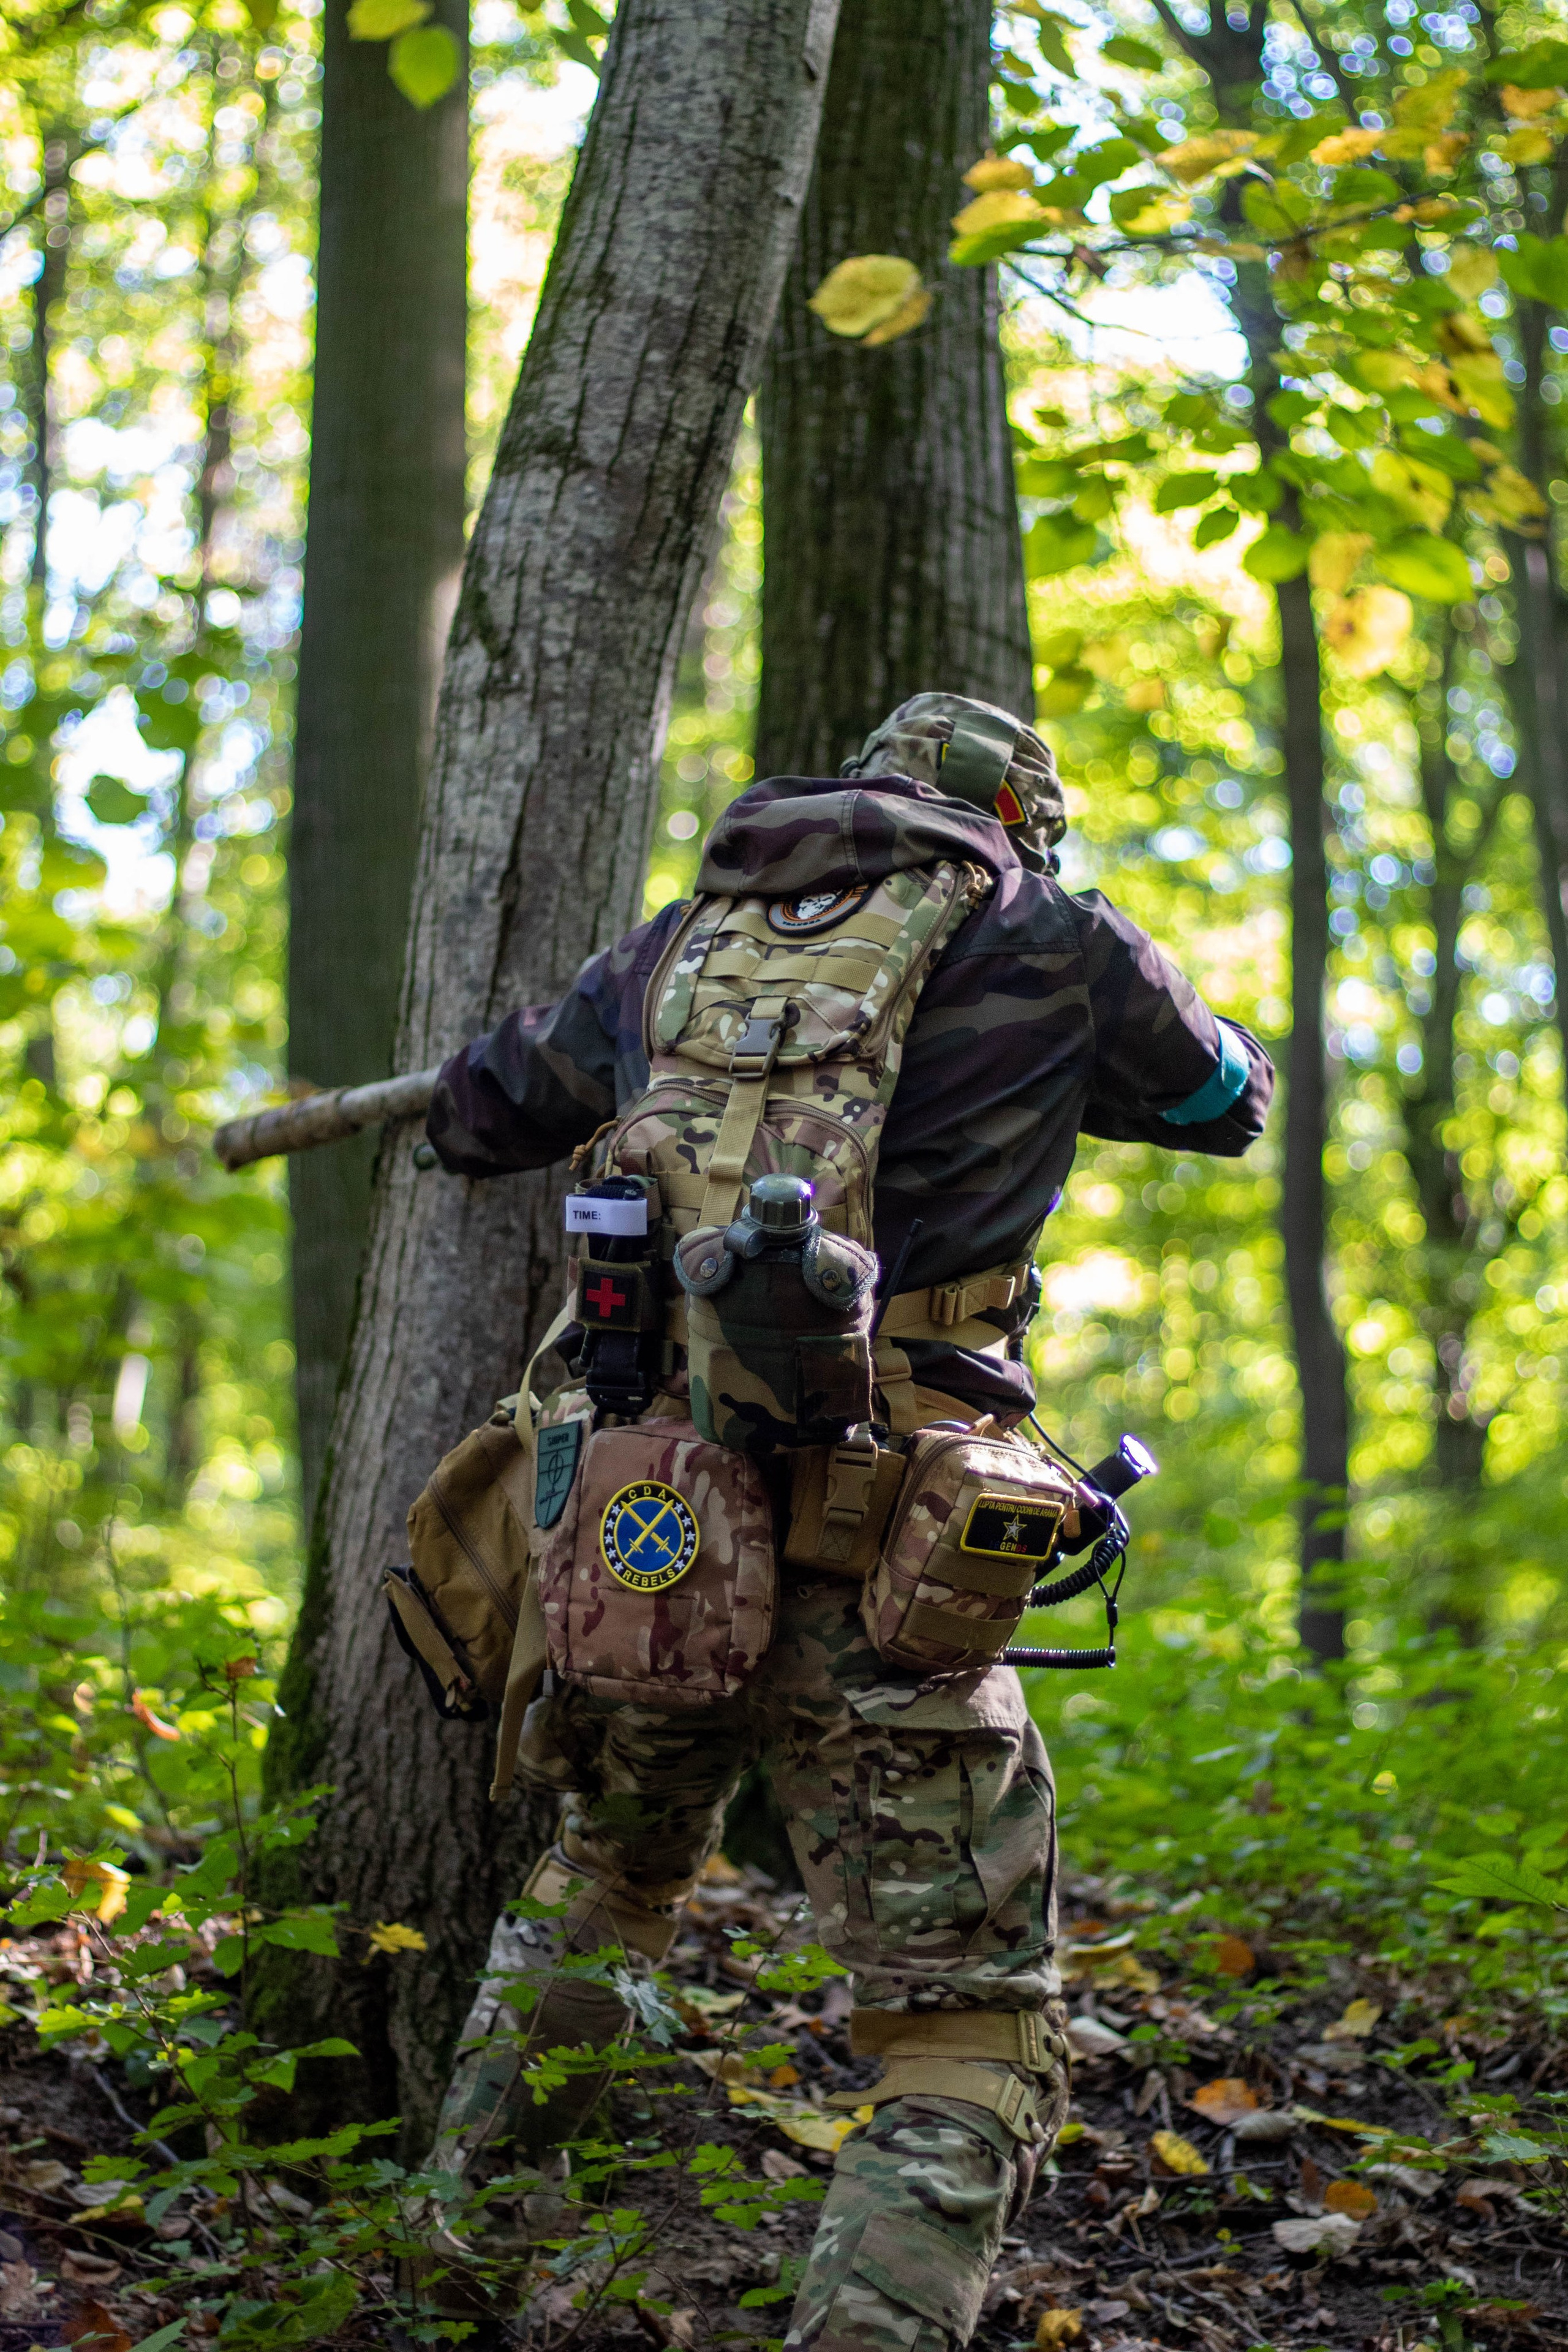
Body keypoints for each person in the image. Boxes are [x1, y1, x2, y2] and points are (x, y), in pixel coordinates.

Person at [419, 693, 1274, 2352]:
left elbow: (480, 1109)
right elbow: (1224, 1104)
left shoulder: (684, 945)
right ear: (1018, 821)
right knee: (970, 2028)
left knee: (608, 1874)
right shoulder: (1062, 939)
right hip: (898, 1537)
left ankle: (442, 2266)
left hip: (646, 1526)